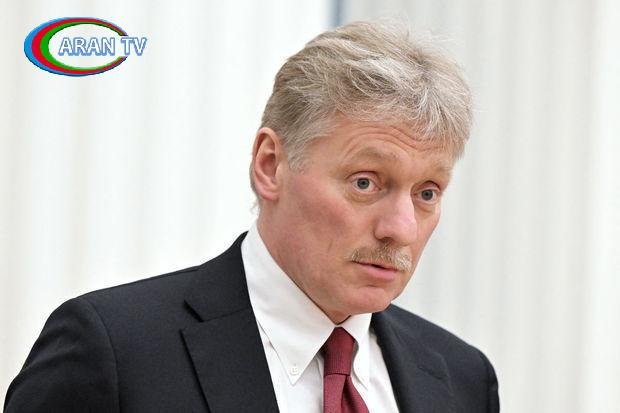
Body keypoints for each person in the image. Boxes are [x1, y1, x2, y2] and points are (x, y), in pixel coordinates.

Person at [4, 21, 499, 412]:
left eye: (427, 193)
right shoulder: (115, 352)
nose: (401, 228)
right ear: (270, 165)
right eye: (365, 183)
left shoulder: (463, 380)